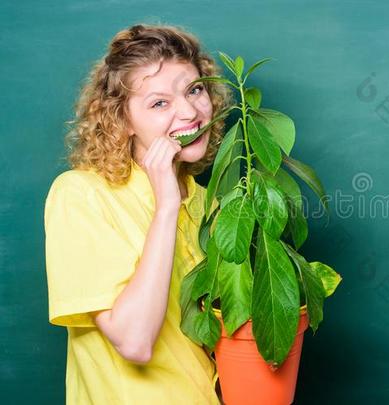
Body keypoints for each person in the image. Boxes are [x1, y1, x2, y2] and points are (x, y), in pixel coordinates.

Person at [43, 23, 233, 404]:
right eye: (159, 103)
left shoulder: (211, 206)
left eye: (194, 90)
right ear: (123, 120)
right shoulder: (81, 195)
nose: (189, 112)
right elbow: (134, 341)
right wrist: (166, 208)